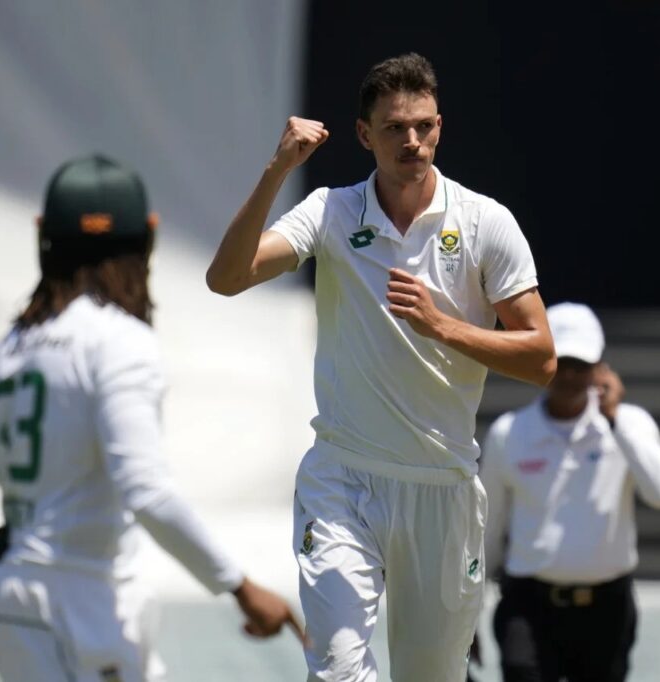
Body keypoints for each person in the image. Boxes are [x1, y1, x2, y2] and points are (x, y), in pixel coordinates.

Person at [206, 52, 557, 681]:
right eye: (394, 128)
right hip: (343, 480)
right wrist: (276, 169)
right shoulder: (330, 211)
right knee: (337, 672)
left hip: (443, 487)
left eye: (423, 125)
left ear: (440, 127)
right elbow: (227, 278)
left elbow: (542, 358)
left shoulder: (485, 222)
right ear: (365, 135)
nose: (411, 141)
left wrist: (442, 326)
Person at [0, 154, 303, 682]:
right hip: (84, 606)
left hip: (8, 602)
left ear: (43, 234)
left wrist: (30, 473)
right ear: (149, 235)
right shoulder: (120, 341)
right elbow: (146, 490)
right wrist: (239, 586)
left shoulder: (13, 345)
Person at [478, 301, 660, 682]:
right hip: (529, 605)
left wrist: (615, 419)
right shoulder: (510, 433)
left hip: (606, 609)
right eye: (563, 363)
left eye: (582, 365)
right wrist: (468, 612)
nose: (570, 375)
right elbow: (487, 529)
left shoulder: (629, 425)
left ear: (601, 368)